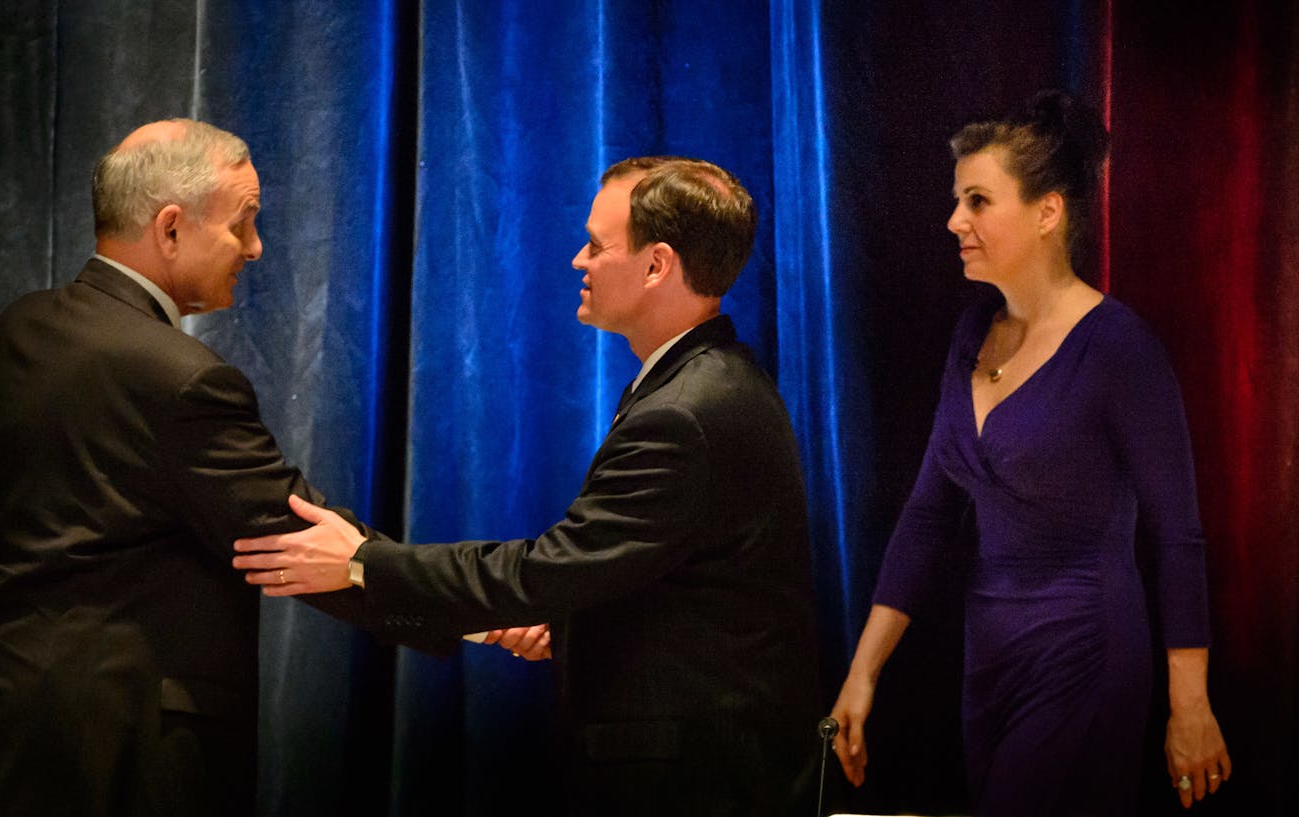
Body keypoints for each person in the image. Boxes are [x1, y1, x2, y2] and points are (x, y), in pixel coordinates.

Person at [233, 156, 823, 816]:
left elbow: (549, 570)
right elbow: (643, 582)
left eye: (597, 246)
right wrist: (561, 615)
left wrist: (363, 562)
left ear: (657, 265)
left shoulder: (684, 409)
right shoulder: (707, 379)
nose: (579, 260)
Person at [0, 119, 434, 817]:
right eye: (244, 224)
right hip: (105, 758)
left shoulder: (9, 333)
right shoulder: (178, 377)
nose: (256, 248)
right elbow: (289, 534)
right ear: (171, 228)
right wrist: (482, 608)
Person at [827, 91, 1230, 815]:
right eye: (958, 200)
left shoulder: (1119, 349)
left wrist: (1190, 704)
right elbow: (927, 515)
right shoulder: (970, 333)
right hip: (989, 657)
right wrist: (863, 672)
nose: (956, 221)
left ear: (1048, 212)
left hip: (1085, 650)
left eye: (978, 201)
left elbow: (1178, 534)